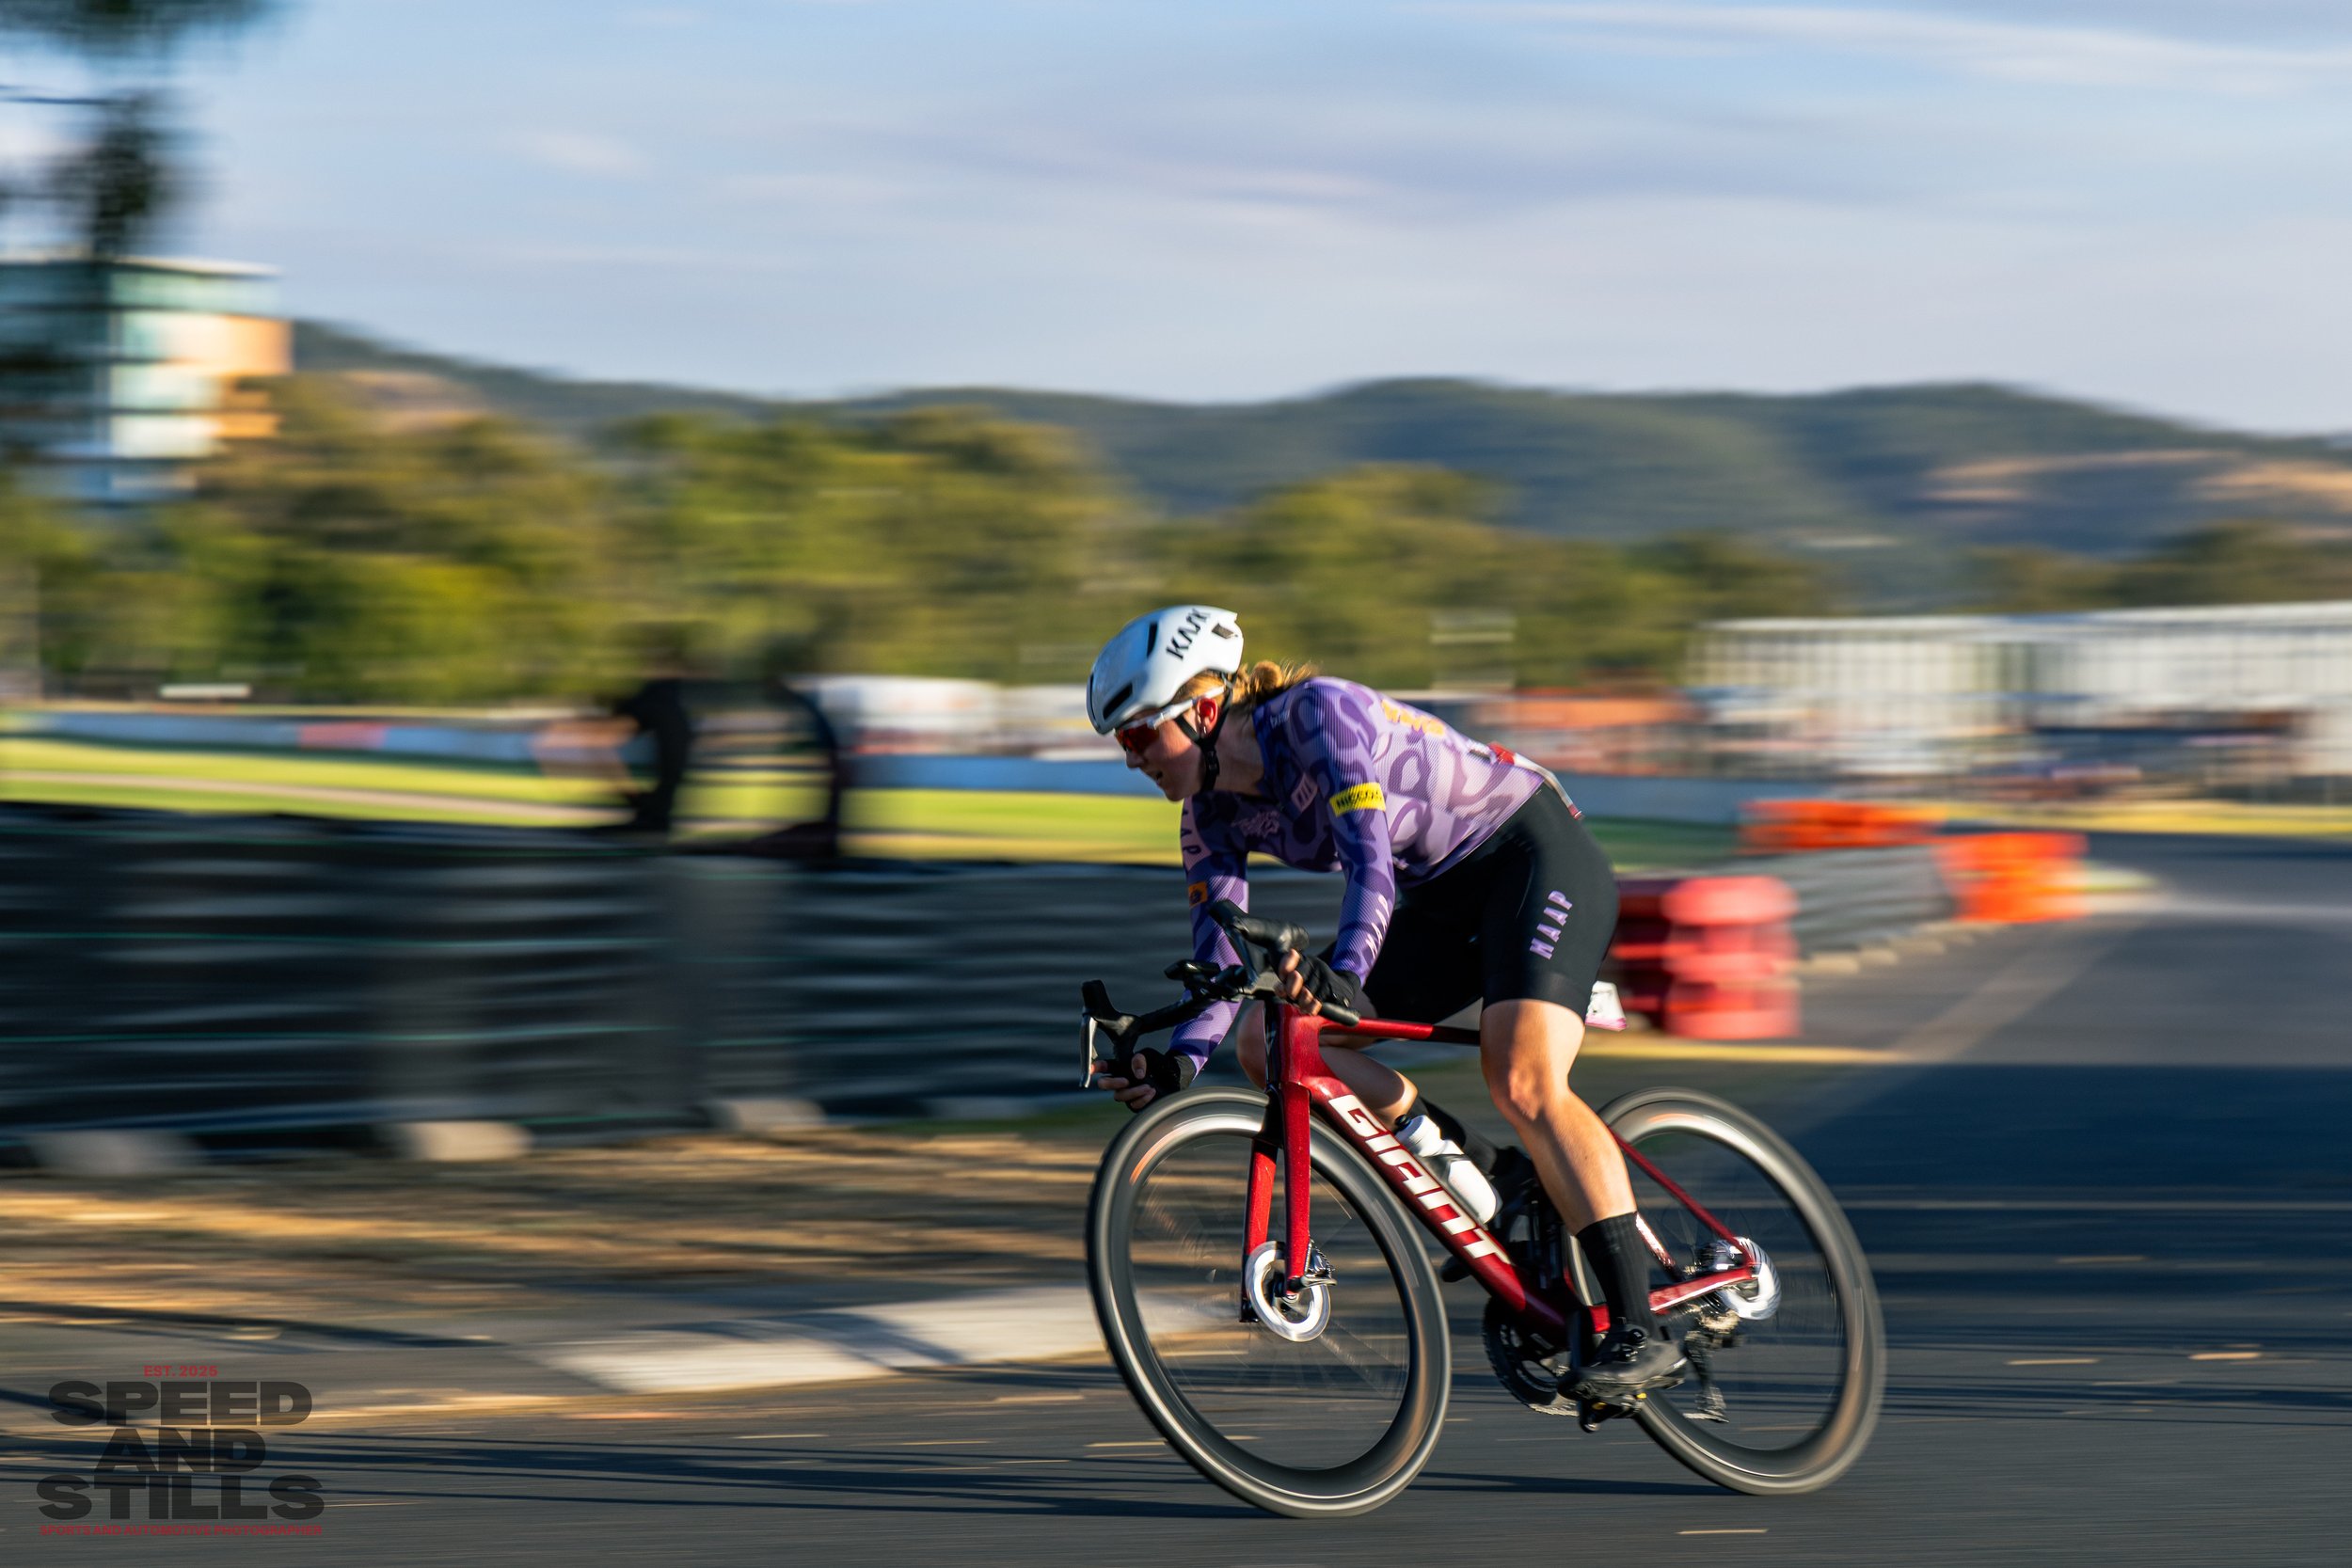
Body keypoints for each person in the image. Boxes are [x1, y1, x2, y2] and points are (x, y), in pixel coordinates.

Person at [1084, 604, 1682, 1404]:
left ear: (1200, 707)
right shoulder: (1208, 815)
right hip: (1439, 902)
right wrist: (1177, 1065)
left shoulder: (1318, 715)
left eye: (1137, 735)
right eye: (1120, 743)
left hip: (1529, 854)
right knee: (1269, 1041)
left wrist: (1346, 974)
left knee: (1524, 1076)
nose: (1131, 759)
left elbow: (1370, 863)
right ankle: (1492, 1175)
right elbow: (1220, 960)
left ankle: (1640, 1324)